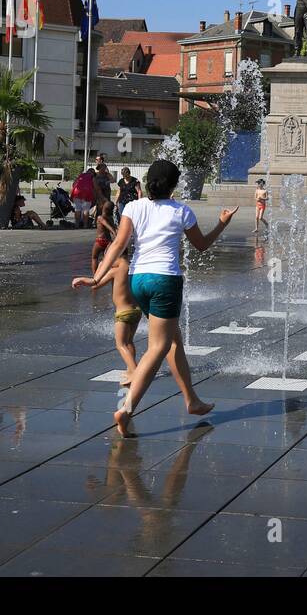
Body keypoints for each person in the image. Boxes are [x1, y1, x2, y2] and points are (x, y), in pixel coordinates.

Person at [83, 159, 236, 437]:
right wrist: (222, 224)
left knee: (173, 339)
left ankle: (192, 400)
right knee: (158, 347)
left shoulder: (133, 207)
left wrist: (96, 277)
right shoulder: (181, 211)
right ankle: (127, 409)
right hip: (165, 281)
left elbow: (118, 245)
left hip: (138, 282)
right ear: (174, 185)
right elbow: (201, 246)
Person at [73, 248, 141, 387]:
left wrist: (101, 268)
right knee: (129, 342)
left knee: (120, 344)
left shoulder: (114, 271)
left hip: (123, 313)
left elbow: (95, 285)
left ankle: (135, 373)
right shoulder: (135, 267)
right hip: (136, 310)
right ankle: (130, 369)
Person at [92, 200, 118, 274]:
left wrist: (113, 231)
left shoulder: (100, 217)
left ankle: (95, 274)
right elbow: (114, 228)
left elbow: (109, 227)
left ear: (103, 208)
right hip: (108, 241)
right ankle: (105, 272)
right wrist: (115, 235)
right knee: (106, 258)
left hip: (100, 240)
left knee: (94, 257)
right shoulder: (110, 218)